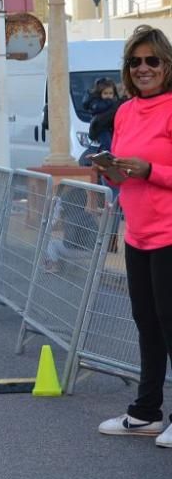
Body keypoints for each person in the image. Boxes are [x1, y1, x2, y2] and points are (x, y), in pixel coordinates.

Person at [92, 25, 172, 448]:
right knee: (147, 324)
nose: (143, 69)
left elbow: (153, 170)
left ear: (167, 65)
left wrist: (150, 171)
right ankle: (145, 413)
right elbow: (126, 174)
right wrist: (113, 171)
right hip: (137, 233)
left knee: (170, 323)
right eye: (135, 62)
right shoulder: (124, 112)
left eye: (152, 61)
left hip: (170, 234)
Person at [83, 77, 120, 152]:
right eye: (105, 93)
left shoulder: (113, 102)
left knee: (110, 145)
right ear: (100, 94)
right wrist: (111, 103)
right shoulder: (97, 103)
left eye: (110, 93)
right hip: (101, 129)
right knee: (108, 146)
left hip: (109, 128)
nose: (108, 96)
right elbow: (100, 108)